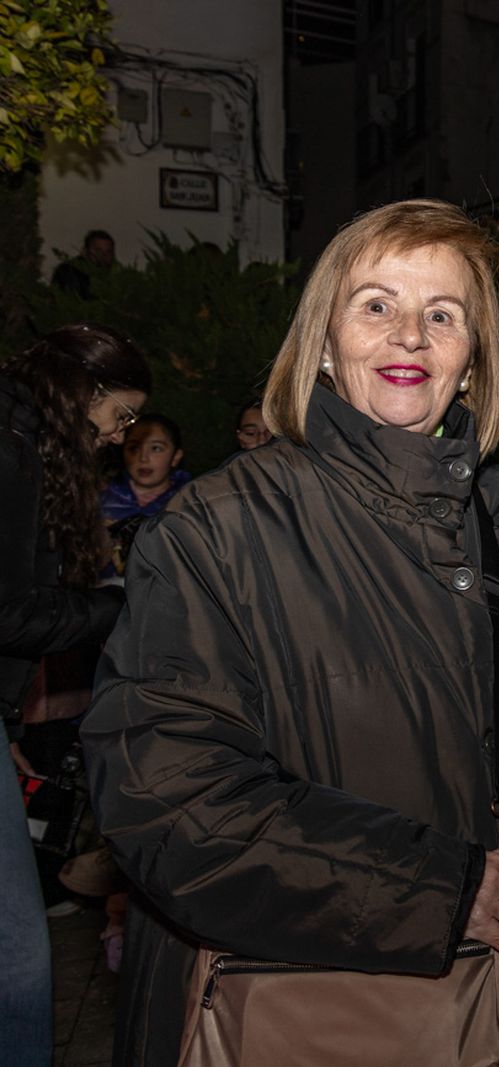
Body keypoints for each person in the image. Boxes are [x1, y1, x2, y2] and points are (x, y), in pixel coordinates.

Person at [80, 199, 499, 1065]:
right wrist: (435, 888)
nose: (410, 338)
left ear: (472, 361)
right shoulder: (217, 529)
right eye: (376, 305)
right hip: (303, 1011)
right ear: (322, 342)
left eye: (443, 315)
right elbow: (166, 795)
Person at [0, 323, 148, 1067]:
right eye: (120, 416)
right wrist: (123, 606)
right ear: (85, 394)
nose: (121, 435)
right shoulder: (15, 450)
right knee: (19, 962)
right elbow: (11, 612)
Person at [100, 414, 191, 576]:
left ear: (176, 456)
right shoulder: (100, 498)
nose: (143, 458)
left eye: (156, 448)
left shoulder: (189, 504)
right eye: (134, 448)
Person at [50, 230, 116, 299]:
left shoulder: (115, 274)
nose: (103, 256)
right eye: (98, 251)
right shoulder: (68, 272)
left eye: (108, 252)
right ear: (84, 251)